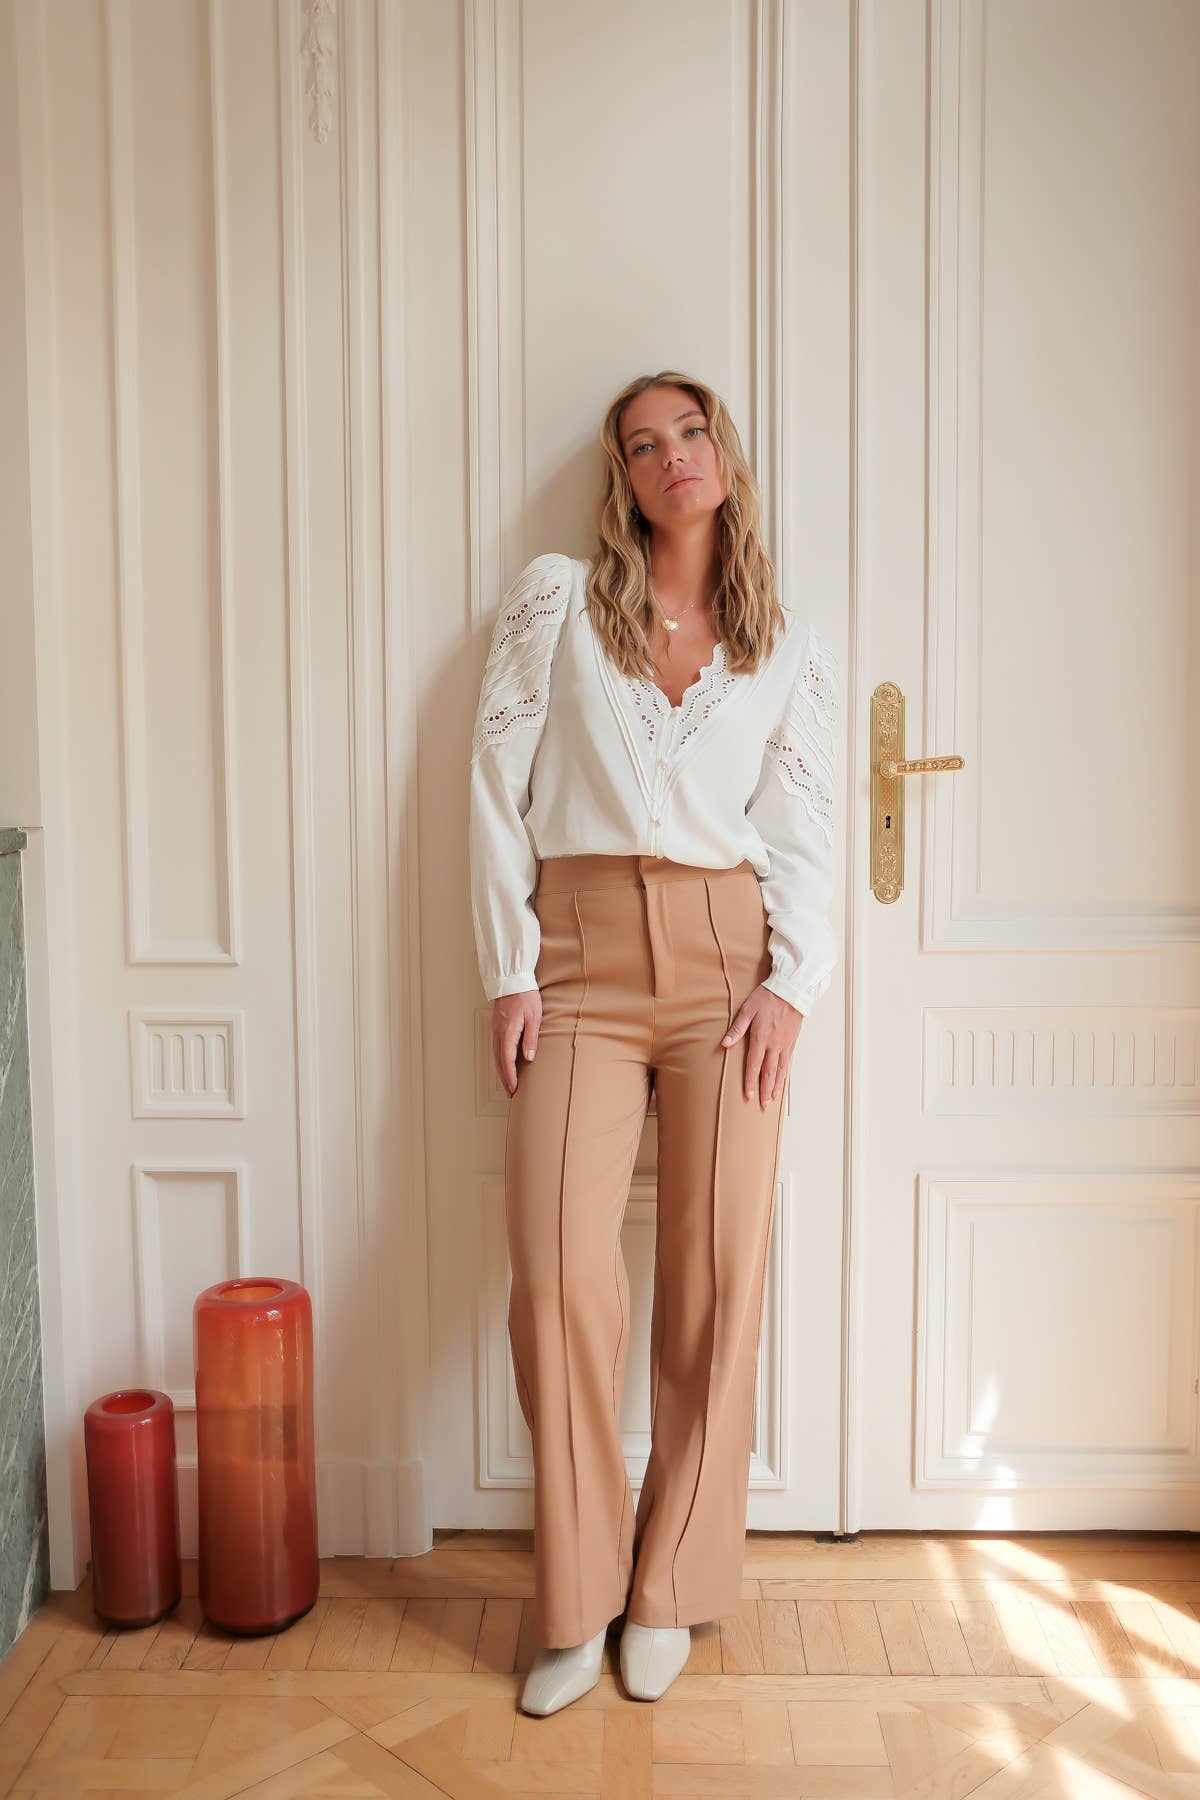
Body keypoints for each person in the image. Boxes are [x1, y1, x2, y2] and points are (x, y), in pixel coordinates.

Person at [468, 370, 839, 1716]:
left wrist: (793, 986)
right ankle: (576, 1599)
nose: (672, 457)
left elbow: (802, 836)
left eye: (691, 433)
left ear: (723, 457)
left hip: (727, 964)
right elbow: (492, 781)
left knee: (715, 1274)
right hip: (577, 961)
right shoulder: (558, 599)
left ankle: (670, 1587)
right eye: (644, 444)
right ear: (621, 478)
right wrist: (509, 970)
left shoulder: (781, 642)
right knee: (560, 1275)